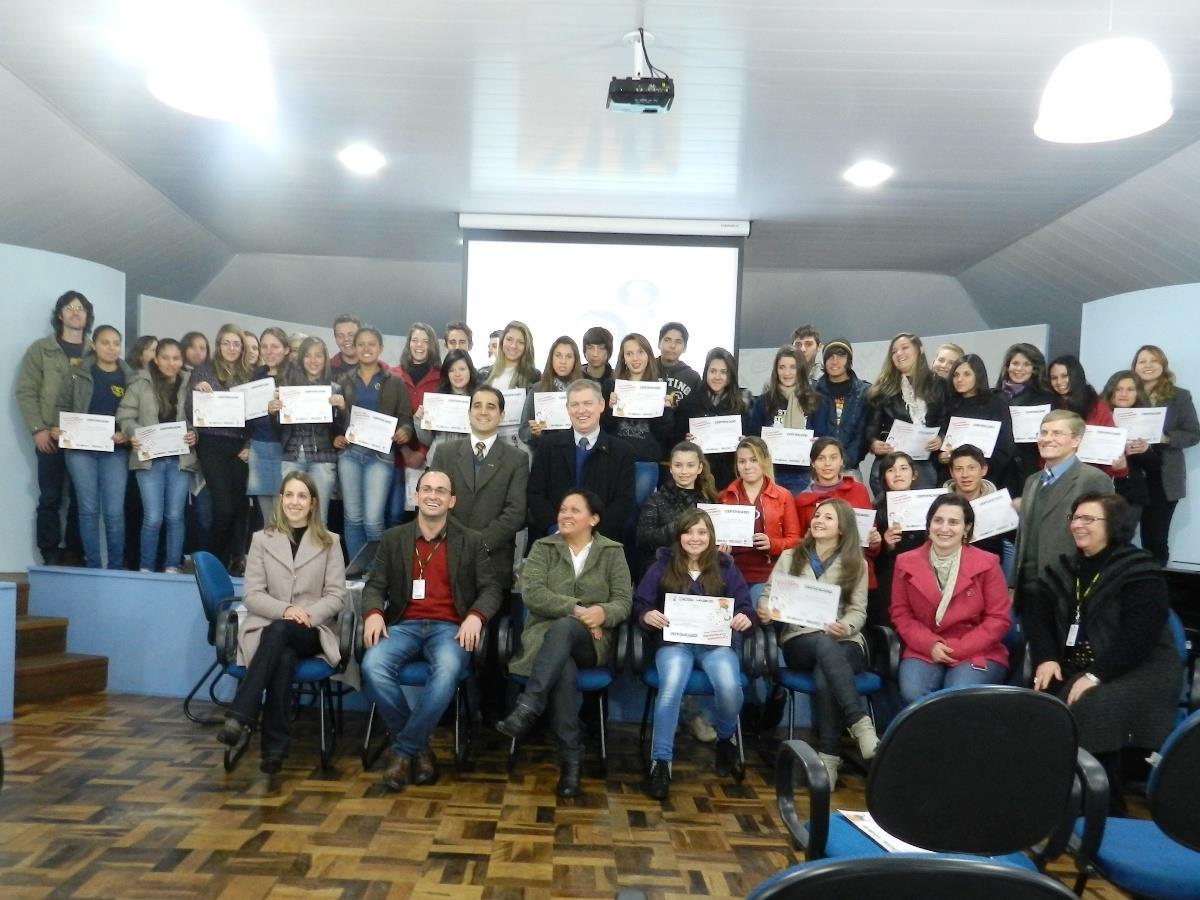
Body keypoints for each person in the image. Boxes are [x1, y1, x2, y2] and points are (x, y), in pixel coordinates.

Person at [1027, 492, 1180, 810]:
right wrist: (1046, 658)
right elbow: (1037, 617)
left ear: (1114, 524)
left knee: (1090, 705)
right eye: (1075, 518)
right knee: (1039, 700)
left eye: (1088, 519)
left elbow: (1139, 637)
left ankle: (1101, 806)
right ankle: (1048, 800)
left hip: (1141, 667)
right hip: (1080, 663)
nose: (1077, 525)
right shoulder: (1064, 568)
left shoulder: (1140, 569)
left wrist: (1096, 675)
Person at [358, 469, 501, 790]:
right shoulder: (394, 539)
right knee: (372, 665)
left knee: (448, 670)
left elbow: (491, 589)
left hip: (450, 628)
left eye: (440, 491)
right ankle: (418, 748)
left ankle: (402, 751)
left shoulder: (471, 540)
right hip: (404, 625)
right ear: (416, 496)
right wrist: (373, 613)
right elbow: (375, 585)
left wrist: (476, 616)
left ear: (452, 501)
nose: (433, 495)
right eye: (427, 489)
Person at [496, 489, 632, 798]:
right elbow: (533, 594)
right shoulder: (543, 547)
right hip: (545, 640)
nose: (565, 515)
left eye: (574, 510)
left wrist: (603, 613)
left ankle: (528, 706)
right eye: (562, 509)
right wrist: (578, 610)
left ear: (593, 519)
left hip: (591, 642)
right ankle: (572, 760)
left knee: (566, 629)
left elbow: (624, 602)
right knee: (564, 666)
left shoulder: (612, 552)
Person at [217, 472, 346, 774]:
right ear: (280, 500)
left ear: (313, 503)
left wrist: (306, 615)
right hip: (270, 627)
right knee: (283, 655)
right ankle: (274, 752)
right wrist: (286, 610)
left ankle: (241, 714)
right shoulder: (261, 540)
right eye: (289, 495)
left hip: (312, 630)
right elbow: (252, 595)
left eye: (302, 496)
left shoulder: (330, 542)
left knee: (280, 633)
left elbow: (336, 596)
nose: (294, 502)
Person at [756, 498, 878, 788]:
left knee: (826, 667)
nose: (819, 521)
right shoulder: (790, 556)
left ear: (843, 528)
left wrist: (845, 626)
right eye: (817, 516)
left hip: (845, 640)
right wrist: (765, 610)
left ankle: (829, 757)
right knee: (823, 646)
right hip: (800, 640)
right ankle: (859, 722)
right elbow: (768, 596)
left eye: (828, 518)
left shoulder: (857, 563)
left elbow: (858, 611)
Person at [634, 508, 754, 799]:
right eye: (688, 532)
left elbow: (746, 607)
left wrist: (745, 618)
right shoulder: (662, 564)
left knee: (730, 687)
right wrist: (646, 615)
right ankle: (661, 762)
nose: (695, 538)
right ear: (679, 536)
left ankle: (725, 739)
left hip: (715, 644)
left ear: (711, 536)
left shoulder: (725, 567)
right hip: (675, 644)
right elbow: (640, 603)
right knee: (671, 687)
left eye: (702, 532)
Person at [890, 494, 1011, 704]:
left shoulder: (988, 563)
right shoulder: (904, 562)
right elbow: (901, 614)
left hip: (976, 648)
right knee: (913, 693)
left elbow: (998, 619)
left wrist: (959, 648)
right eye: (938, 520)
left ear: (966, 528)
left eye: (953, 522)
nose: (944, 528)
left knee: (958, 696)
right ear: (929, 525)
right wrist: (930, 644)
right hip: (925, 647)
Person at [16, 290, 92, 565]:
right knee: (50, 497)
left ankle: (74, 552)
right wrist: (38, 429)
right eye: (69, 307)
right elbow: (26, 391)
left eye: (81, 308)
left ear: (87, 315)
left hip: (87, 437)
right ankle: (49, 553)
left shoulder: (96, 351)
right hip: (50, 434)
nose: (75, 312)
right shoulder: (40, 349)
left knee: (82, 498)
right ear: (60, 314)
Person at [430, 386, 529, 598]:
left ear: (502, 415)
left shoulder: (517, 459)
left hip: (493, 565)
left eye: (491, 407)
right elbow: (434, 503)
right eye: (477, 406)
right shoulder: (445, 453)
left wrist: (478, 545)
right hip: (447, 557)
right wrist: (458, 544)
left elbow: (516, 513)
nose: (483, 412)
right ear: (469, 412)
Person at [1013, 410, 1113, 613]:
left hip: (1069, 592)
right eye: (1044, 432)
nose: (1047, 439)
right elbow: (1023, 537)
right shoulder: (1032, 481)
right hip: (1028, 591)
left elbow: (1103, 540)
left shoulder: (1094, 480)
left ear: (1076, 440)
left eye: (1056, 433)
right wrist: (1013, 584)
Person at [53, 324, 134, 570]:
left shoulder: (130, 377)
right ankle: (93, 564)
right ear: (94, 345)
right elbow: (62, 405)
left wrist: (125, 434)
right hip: (80, 451)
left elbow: (136, 414)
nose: (111, 348)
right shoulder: (77, 373)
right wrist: (59, 427)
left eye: (116, 343)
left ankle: (116, 567)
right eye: (105, 342)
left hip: (115, 452)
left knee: (114, 512)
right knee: (88, 509)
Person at [333, 327, 414, 563]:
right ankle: (357, 571)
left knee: (373, 520)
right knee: (352, 518)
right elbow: (337, 421)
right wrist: (335, 436)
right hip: (349, 455)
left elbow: (406, 419)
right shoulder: (344, 381)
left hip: (380, 457)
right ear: (355, 348)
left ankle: (376, 573)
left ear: (380, 348)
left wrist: (405, 432)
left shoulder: (394, 381)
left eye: (371, 344)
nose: (366, 349)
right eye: (361, 344)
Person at [117, 339, 199, 572]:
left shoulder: (190, 383)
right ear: (156, 358)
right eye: (165, 357)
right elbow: (125, 415)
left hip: (180, 459)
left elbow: (199, 417)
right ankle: (146, 567)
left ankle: (172, 566)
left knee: (175, 516)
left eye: (176, 358)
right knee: (153, 517)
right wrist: (133, 432)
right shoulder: (140, 382)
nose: (171, 363)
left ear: (182, 360)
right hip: (148, 460)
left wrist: (194, 434)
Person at [527, 379, 636, 542]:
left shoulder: (623, 451)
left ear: (601, 405)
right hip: (554, 539)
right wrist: (555, 530)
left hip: (601, 542)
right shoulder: (547, 446)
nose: (581, 410)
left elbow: (623, 502)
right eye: (575, 404)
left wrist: (591, 537)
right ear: (567, 408)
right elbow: (536, 494)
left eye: (587, 403)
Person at [186, 324, 252, 567]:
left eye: (236, 344)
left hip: (240, 447)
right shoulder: (203, 371)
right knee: (224, 508)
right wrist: (197, 394)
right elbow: (189, 411)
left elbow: (256, 416)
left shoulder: (249, 374)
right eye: (226, 343)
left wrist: (250, 444)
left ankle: (226, 563)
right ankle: (208, 563)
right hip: (211, 444)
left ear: (242, 348)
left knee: (238, 509)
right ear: (218, 345)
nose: (231, 348)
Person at [1131, 344, 1200, 565]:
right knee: (1118, 537)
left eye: (1154, 360)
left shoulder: (1180, 396)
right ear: (1134, 366)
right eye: (1142, 361)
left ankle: (1156, 583)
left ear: (1163, 365)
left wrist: (1166, 437)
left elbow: (1194, 434)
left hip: (1163, 478)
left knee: (1155, 540)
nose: (1148, 365)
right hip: (1129, 474)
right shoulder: (1125, 392)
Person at [864, 332, 947, 493]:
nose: (899, 353)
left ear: (920, 349)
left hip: (928, 464)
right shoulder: (883, 389)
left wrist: (941, 437)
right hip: (891, 463)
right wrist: (873, 443)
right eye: (894, 351)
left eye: (904, 347)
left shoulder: (939, 385)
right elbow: (871, 427)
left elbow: (946, 419)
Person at [717, 437, 801, 590]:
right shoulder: (723, 497)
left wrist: (772, 544)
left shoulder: (783, 496)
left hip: (767, 573)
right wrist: (719, 550)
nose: (747, 466)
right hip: (729, 572)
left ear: (765, 461)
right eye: (742, 461)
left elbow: (794, 540)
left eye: (754, 460)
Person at [748, 347, 833, 495]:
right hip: (769, 473)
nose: (787, 373)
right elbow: (753, 436)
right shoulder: (764, 402)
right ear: (776, 371)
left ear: (800, 369)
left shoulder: (817, 402)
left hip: (804, 475)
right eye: (782, 367)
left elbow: (826, 438)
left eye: (793, 367)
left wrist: (819, 443)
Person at [604, 332, 675, 505]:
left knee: (636, 508)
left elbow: (664, 434)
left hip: (646, 461)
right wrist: (609, 408)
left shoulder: (659, 389)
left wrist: (665, 410)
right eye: (629, 353)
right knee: (615, 507)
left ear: (648, 355)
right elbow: (603, 428)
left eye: (640, 352)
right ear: (623, 358)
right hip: (615, 459)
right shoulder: (610, 386)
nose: (635, 358)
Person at [278, 336, 340, 525]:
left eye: (318, 356)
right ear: (301, 359)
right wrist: (274, 412)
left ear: (325, 359)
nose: (313, 360)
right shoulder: (287, 388)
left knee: (319, 519)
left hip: (322, 458)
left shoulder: (335, 389)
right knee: (291, 517)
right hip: (292, 456)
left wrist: (341, 410)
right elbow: (277, 430)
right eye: (308, 355)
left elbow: (340, 431)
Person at [674, 347, 751, 490]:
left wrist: (745, 442)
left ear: (731, 375)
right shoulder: (690, 402)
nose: (717, 377)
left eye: (723, 372)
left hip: (730, 476)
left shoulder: (740, 406)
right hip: (697, 477)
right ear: (706, 372)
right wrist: (685, 440)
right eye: (713, 371)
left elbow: (751, 441)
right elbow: (675, 438)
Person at [938, 354, 1016, 490]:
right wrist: (942, 457)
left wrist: (980, 469)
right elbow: (942, 442)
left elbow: (1005, 446)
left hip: (989, 480)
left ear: (978, 376)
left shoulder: (996, 403)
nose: (959, 379)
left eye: (967, 374)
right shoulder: (949, 405)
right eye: (956, 375)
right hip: (953, 480)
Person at [870, 452, 927, 627]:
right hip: (891, 569)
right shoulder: (875, 508)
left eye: (903, 469)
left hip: (926, 567)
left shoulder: (929, 503)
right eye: (891, 470)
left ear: (914, 474)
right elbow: (872, 558)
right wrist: (886, 545)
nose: (898, 474)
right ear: (883, 477)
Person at [1048, 354, 1126, 477]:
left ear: (1076, 376)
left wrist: (1119, 468)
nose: (1059, 382)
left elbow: (1110, 447)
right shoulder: (1048, 405)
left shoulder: (1096, 406)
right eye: (1054, 378)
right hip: (1055, 474)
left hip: (1090, 476)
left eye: (1065, 376)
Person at [637, 441, 717, 558]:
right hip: (667, 564)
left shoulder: (709, 500)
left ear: (700, 468)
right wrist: (680, 524)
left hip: (702, 564)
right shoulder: (656, 499)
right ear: (671, 468)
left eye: (690, 465)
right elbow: (643, 539)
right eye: (678, 465)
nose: (684, 471)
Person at [995, 342, 1054, 498]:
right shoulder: (993, 397)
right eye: (1015, 363)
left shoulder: (1046, 398)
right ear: (1007, 366)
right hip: (998, 470)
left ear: (1035, 368)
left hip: (1031, 468)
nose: (1019, 369)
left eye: (1026, 364)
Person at [1101, 370, 1158, 527]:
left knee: (1122, 539)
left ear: (1138, 393)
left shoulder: (1149, 420)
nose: (1123, 394)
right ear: (1110, 391)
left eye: (1130, 389)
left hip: (1130, 494)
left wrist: (1144, 451)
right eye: (1118, 389)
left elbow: (1155, 466)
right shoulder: (1097, 416)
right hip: (1098, 489)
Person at [944, 444, 1014, 570]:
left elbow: (1009, 546)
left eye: (971, 468)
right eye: (959, 469)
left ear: (983, 470)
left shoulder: (1000, 504)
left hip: (991, 571)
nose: (965, 475)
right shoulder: (938, 505)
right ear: (951, 472)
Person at [246, 327, 290, 526]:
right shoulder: (255, 376)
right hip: (258, 448)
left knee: (285, 515)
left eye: (275, 346)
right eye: (264, 346)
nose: (269, 351)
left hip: (285, 450)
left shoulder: (295, 377)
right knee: (267, 518)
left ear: (286, 349)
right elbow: (247, 417)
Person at [794, 438, 873, 537]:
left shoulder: (859, 490)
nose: (827, 464)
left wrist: (874, 541)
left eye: (833, 458)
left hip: (855, 547)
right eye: (820, 458)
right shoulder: (802, 500)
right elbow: (798, 538)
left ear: (841, 461)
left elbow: (870, 531)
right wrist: (806, 541)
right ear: (813, 463)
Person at [814, 338, 871, 471]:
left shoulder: (864, 392)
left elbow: (863, 435)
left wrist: (844, 461)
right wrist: (824, 460)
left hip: (850, 467)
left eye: (840, 356)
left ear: (849, 360)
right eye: (830, 357)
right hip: (819, 467)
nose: (835, 361)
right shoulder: (814, 392)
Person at [413, 350, 479, 461]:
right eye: (452, 370)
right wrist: (418, 420)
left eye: (462, 369)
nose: (457, 374)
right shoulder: (436, 400)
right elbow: (426, 441)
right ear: (447, 374)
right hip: (438, 461)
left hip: (469, 462)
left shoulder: (480, 400)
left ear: (470, 370)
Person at [520, 336, 582, 446]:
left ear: (575, 361)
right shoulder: (537, 389)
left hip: (578, 450)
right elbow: (523, 432)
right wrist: (533, 431)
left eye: (568, 356)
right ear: (551, 358)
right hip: (545, 451)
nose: (563, 361)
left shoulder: (584, 390)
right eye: (558, 355)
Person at [482, 320, 540, 389]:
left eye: (520, 342)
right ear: (502, 341)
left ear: (526, 347)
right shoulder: (483, 373)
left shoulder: (534, 377)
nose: (513, 346)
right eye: (509, 339)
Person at [657, 322, 701, 407]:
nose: (672, 346)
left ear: (684, 348)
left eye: (678, 342)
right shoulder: (646, 369)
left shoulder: (693, 378)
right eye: (667, 340)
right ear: (659, 343)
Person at [581, 326, 615, 398]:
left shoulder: (617, 378)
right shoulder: (575, 377)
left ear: (609, 351)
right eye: (590, 348)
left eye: (601, 348)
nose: (595, 354)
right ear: (584, 350)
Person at [329, 314, 362, 380]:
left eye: (351, 335)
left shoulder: (379, 369)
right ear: (336, 339)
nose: (346, 339)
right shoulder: (326, 369)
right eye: (340, 336)